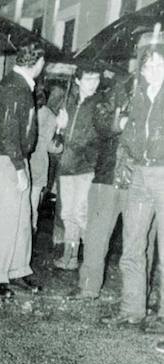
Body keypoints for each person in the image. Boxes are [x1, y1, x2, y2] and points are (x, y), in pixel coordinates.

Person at [71, 73, 155, 301]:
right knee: (96, 236)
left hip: (140, 182)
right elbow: (101, 121)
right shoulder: (118, 89)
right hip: (107, 177)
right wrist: (122, 122)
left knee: (140, 242)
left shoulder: (158, 95)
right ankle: (88, 287)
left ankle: (137, 297)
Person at [104, 36, 164, 329]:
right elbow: (124, 137)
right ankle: (132, 309)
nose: (152, 69)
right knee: (132, 245)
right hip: (139, 175)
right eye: (148, 65)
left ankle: (163, 317)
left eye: (158, 63)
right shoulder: (138, 96)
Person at [0, 43, 46, 296]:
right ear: (37, 63)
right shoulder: (14, 86)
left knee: (21, 217)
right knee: (6, 218)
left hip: (14, 158)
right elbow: (9, 130)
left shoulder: (20, 84)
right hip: (7, 159)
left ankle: (17, 269)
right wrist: (19, 167)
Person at [52, 64, 105, 270]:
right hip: (67, 166)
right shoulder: (69, 103)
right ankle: (70, 256)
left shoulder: (99, 104)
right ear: (77, 81)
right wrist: (60, 126)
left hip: (86, 167)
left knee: (81, 213)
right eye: (89, 79)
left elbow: (95, 136)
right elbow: (60, 138)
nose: (94, 84)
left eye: (96, 79)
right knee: (67, 213)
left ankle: (91, 262)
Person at [30, 84, 64, 234]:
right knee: (34, 196)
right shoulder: (51, 116)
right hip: (39, 160)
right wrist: (60, 132)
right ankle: (32, 225)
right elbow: (53, 147)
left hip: (24, 158)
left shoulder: (27, 112)